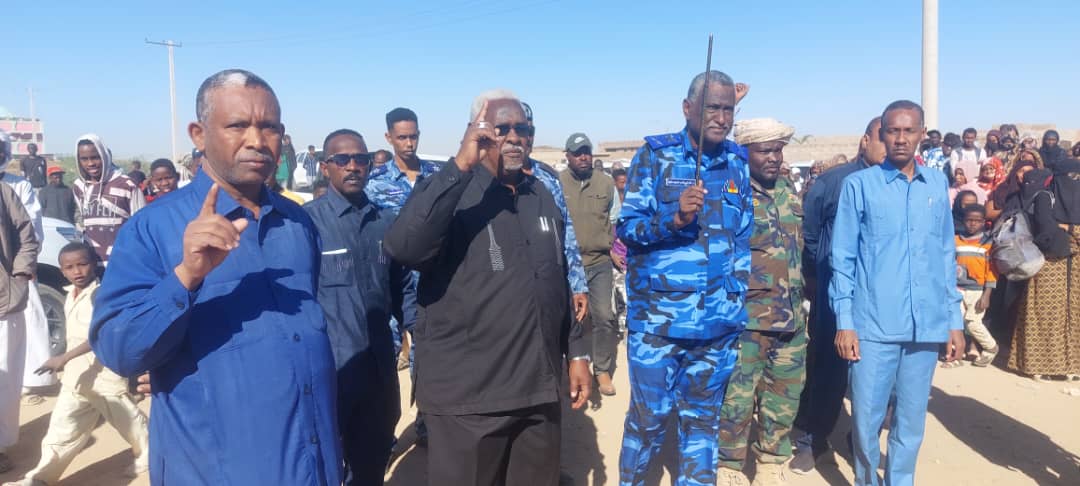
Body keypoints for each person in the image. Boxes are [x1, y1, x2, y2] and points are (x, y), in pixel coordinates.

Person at [89, 69, 342, 485]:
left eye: (270, 127)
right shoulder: (154, 228)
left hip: (312, 465)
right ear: (199, 134)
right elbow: (120, 351)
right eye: (238, 125)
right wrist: (185, 277)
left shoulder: (297, 222)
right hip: (218, 471)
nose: (257, 140)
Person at [384, 91, 591, 486]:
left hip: (537, 393)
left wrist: (577, 351)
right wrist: (462, 164)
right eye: (501, 129)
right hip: (471, 402)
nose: (513, 137)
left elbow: (556, 277)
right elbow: (404, 247)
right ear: (477, 133)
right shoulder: (449, 192)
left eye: (522, 129)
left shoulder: (540, 195)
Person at [617, 70, 750, 486]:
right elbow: (628, 230)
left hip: (716, 327)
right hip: (659, 325)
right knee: (648, 422)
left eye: (728, 109)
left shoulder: (736, 163)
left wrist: (736, 302)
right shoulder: (655, 157)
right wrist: (674, 219)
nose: (722, 118)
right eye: (713, 108)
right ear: (688, 108)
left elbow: (742, 240)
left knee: (702, 425)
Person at [831, 100, 964, 486]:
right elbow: (843, 258)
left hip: (926, 326)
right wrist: (845, 322)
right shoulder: (859, 186)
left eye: (909, 131)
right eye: (893, 131)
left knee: (911, 422)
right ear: (882, 135)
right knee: (866, 420)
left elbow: (945, 254)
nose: (901, 139)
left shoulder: (936, 185)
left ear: (922, 134)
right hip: (873, 326)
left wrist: (954, 321)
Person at [304, 129, 416, 486]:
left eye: (361, 159)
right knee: (324, 464)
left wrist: (424, 331)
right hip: (331, 371)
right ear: (326, 167)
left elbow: (402, 288)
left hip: (379, 368)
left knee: (372, 459)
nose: (353, 166)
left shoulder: (384, 221)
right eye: (342, 159)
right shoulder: (307, 224)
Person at [4, 243, 149, 486]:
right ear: (61, 270)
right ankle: (40, 478)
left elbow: (99, 335)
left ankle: (151, 454)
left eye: (82, 264)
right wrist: (69, 362)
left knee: (129, 421)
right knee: (61, 430)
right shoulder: (70, 294)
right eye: (69, 267)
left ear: (94, 263)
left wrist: (63, 358)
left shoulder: (100, 296)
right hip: (77, 377)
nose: (77, 271)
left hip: (103, 375)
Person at [789, 116, 886, 474]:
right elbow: (811, 231)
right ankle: (813, 440)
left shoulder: (897, 183)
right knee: (829, 367)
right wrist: (817, 274)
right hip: (837, 291)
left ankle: (862, 438)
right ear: (865, 140)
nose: (890, 145)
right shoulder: (834, 181)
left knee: (883, 374)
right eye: (882, 137)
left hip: (882, 294)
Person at [717, 118, 806, 486]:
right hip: (746, 321)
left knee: (783, 396)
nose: (774, 157)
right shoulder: (730, 192)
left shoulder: (788, 191)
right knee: (736, 399)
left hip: (791, 319)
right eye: (765, 150)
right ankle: (728, 466)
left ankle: (771, 462)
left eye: (778, 150)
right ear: (745, 152)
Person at [559, 132, 620, 396]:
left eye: (586, 152)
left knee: (604, 317)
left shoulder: (606, 183)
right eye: (577, 153)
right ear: (568, 156)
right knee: (567, 319)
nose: (583, 157)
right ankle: (568, 367)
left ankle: (602, 369)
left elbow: (615, 220)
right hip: (567, 266)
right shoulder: (557, 183)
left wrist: (614, 249)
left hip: (599, 263)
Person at [1010, 166, 1080, 381]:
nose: (1073, 181)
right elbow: (1047, 231)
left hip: (1075, 267)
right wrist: (1073, 234)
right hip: (1049, 262)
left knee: (1073, 314)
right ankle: (1037, 365)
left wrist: (1067, 228)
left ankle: (1071, 365)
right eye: (1070, 176)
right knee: (1044, 312)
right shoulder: (1044, 197)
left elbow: (1059, 229)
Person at [0, 132, 54, 402]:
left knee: (25, 327)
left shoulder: (16, 185)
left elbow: (30, 227)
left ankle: (33, 381)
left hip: (14, 272)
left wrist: (23, 269)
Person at [0, 182, 38, 474]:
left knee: (4, 380)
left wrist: (21, 274)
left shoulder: (3, 192)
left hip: (3, 300)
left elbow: (26, 233)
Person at [72, 134, 146, 264]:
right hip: (92, 264)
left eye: (95, 157)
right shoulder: (79, 186)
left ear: (104, 156)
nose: (90, 163)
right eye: (84, 159)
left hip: (122, 262)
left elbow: (142, 225)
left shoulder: (127, 185)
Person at [945, 204, 999, 370]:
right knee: (955, 323)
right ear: (963, 220)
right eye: (969, 220)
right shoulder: (955, 240)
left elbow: (992, 271)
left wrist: (987, 294)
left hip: (977, 291)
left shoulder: (988, 243)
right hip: (956, 288)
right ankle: (956, 355)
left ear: (983, 222)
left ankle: (991, 347)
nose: (973, 223)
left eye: (977, 220)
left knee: (973, 323)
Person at [985, 152, 1041, 221]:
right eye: (1022, 171)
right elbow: (988, 213)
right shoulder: (1003, 189)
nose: (1025, 175)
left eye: (1029, 172)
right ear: (1015, 173)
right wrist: (1010, 209)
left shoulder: (1040, 191)